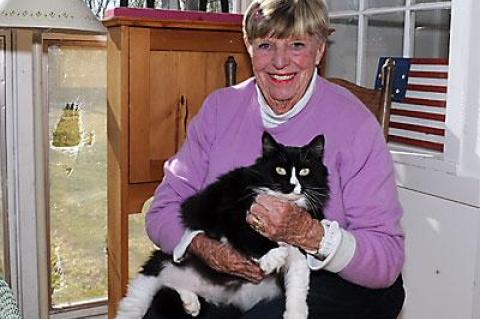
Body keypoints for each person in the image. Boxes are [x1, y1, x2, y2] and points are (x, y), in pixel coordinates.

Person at [143, 0, 405, 318]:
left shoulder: (356, 124)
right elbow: (162, 210)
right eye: (266, 44)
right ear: (249, 48)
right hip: (233, 271)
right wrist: (202, 245)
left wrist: (309, 234)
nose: (280, 62)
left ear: (319, 50)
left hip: (329, 277)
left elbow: (387, 259)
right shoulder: (219, 110)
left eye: (297, 45)